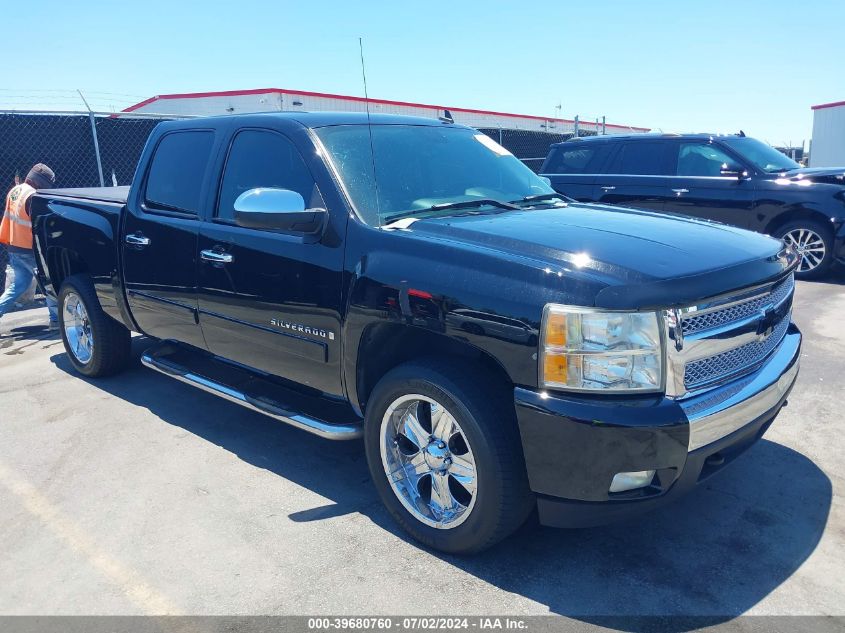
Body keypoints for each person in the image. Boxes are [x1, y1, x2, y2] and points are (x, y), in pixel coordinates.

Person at [0, 164, 58, 330]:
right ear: (40, 183)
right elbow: (39, 224)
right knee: (49, 282)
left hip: (13, 246)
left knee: (20, 284)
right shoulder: (32, 197)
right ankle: (55, 320)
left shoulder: (16, 190)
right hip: (29, 249)